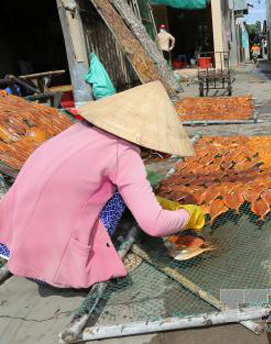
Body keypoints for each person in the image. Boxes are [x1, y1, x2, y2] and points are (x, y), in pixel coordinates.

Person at [0, 81, 204, 288]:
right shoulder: (124, 153)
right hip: (51, 269)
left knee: (115, 192)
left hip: (13, 246)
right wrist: (189, 216)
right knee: (118, 197)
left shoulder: (78, 130)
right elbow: (155, 224)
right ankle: (87, 259)